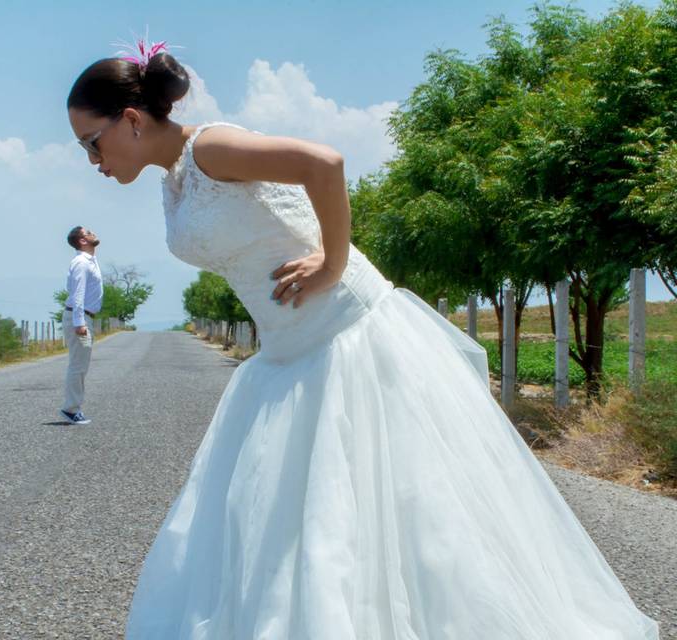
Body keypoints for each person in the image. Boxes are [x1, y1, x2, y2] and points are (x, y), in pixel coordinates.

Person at [66, 41, 661, 640]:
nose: (92, 158)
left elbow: (323, 163)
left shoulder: (212, 147)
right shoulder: (172, 180)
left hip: (347, 336)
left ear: (133, 120)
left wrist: (330, 263)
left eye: (92, 142)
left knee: (405, 510)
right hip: (286, 354)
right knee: (308, 522)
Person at [60, 225, 103, 425]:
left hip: (85, 317)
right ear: (82, 241)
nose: (93, 233)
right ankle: (71, 409)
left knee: (81, 365)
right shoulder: (81, 263)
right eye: (88, 232)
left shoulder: (90, 261)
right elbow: (77, 294)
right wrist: (80, 322)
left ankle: (74, 407)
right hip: (80, 318)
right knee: (78, 365)